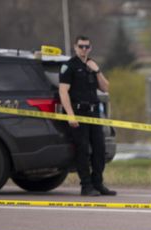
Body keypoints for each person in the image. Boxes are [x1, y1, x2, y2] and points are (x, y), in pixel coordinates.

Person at [59, 35, 115, 197]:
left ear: (90, 48)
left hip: (94, 113)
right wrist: (70, 115)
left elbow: (105, 88)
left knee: (100, 149)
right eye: (81, 46)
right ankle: (86, 186)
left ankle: (98, 183)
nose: (84, 49)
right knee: (82, 151)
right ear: (75, 47)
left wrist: (97, 70)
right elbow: (63, 92)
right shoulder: (69, 66)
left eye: (87, 47)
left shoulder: (92, 65)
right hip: (78, 113)